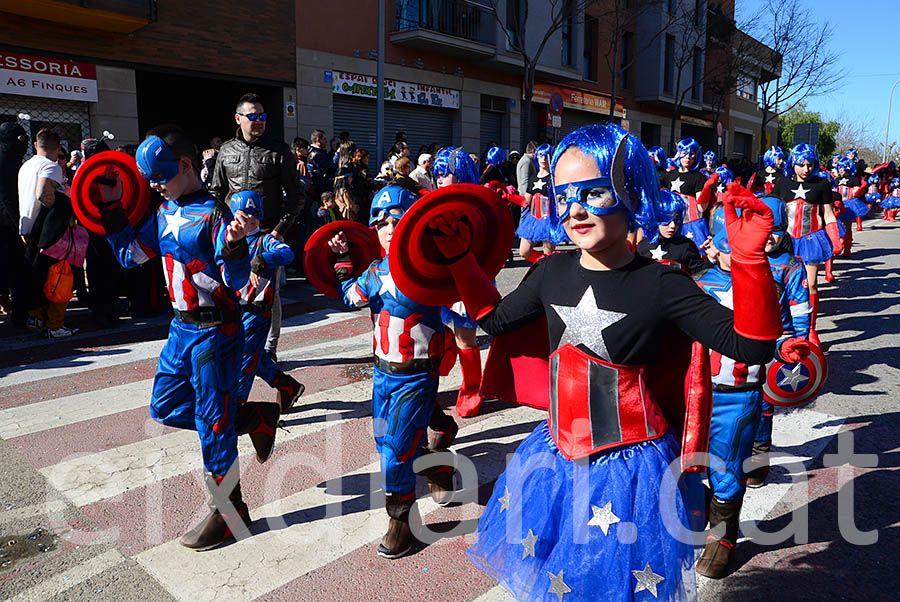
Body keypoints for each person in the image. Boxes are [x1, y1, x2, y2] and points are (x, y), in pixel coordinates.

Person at [427, 123, 778, 601]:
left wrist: (750, 260)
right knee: (558, 577)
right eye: (565, 194)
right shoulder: (550, 270)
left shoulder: (662, 283)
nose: (575, 210)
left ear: (631, 191)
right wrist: (460, 259)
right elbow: (495, 320)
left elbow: (751, 346)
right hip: (554, 457)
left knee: (612, 586)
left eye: (593, 192)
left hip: (630, 469)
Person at [100, 125, 280, 550]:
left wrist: (236, 243)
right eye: (151, 180)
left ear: (185, 165)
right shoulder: (162, 213)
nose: (156, 186)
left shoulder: (218, 213)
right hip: (180, 329)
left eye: (161, 176)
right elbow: (130, 255)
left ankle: (229, 511)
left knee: (212, 424)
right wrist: (110, 210)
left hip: (216, 330)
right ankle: (253, 418)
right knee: (165, 406)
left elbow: (237, 279)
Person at [327, 185, 453, 559]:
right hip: (382, 375)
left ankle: (402, 521)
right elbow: (351, 296)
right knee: (385, 441)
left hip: (417, 375)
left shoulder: (431, 268)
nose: (388, 226)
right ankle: (439, 459)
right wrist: (343, 258)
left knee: (396, 452)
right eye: (380, 220)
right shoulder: (375, 271)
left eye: (397, 218)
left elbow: (466, 296)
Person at [693, 201, 808, 578]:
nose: (732, 257)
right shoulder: (698, 284)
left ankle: (722, 538)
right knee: (687, 462)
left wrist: (788, 347)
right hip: (696, 390)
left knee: (727, 465)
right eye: (726, 249)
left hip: (739, 392)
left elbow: (776, 333)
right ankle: (704, 506)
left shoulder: (767, 286)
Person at [211, 92, 304, 363]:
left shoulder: (278, 150)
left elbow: (297, 197)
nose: (258, 121)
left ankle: (268, 350)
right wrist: (220, 228)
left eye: (262, 116)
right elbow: (216, 193)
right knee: (230, 288)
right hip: (233, 235)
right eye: (252, 116)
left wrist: (279, 231)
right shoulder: (226, 151)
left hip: (266, 234)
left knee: (268, 295)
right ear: (238, 118)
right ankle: (234, 340)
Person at [744, 194, 811, 489]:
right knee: (735, 401)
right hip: (739, 341)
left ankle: (758, 459)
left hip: (776, 343)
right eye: (761, 226)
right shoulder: (739, 255)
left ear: (784, 229)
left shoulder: (790, 266)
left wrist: (801, 343)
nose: (768, 236)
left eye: (774, 228)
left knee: (763, 405)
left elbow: (800, 308)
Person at [228, 190, 305, 413]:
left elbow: (287, 253)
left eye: (256, 213)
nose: (251, 218)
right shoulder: (227, 238)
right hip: (232, 311)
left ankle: (237, 409)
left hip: (256, 313)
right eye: (245, 213)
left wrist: (263, 258)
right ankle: (288, 386)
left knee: (245, 361)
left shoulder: (265, 241)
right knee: (253, 357)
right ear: (234, 214)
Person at [433, 147, 487, 417]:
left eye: (445, 174)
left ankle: (472, 390)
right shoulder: (433, 204)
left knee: (466, 339)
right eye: (437, 174)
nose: (440, 179)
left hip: (467, 283)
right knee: (441, 334)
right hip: (441, 283)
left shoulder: (475, 210)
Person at [773, 143, 842, 347]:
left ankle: (810, 329)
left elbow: (828, 215)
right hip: (785, 240)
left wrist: (835, 238)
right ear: (792, 163)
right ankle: (784, 327)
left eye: (810, 164)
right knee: (781, 285)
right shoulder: (782, 183)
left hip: (810, 239)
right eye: (801, 164)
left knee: (811, 284)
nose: (806, 169)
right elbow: (774, 213)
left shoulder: (821, 184)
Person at [661, 138, 717, 252]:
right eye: (684, 153)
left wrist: (706, 187)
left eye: (691, 154)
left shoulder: (698, 177)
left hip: (692, 224)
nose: (688, 157)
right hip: (671, 223)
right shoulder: (669, 175)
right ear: (679, 153)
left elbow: (702, 207)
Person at [636, 189, 707, 275]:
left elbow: (701, 277)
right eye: (667, 220)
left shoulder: (685, 246)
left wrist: (711, 259)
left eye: (677, 220)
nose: (673, 225)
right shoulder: (642, 246)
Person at [0, 122, 29, 325]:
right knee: (18, 270)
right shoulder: (7, 159)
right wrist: (20, 223)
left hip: (6, 224)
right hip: (8, 225)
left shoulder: (9, 156)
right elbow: (8, 196)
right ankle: (20, 315)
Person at [18, 128, 63, 238]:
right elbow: (42, 195)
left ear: (36, 145)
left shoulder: (26, 165)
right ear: (59, 148)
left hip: (26, 229)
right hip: (42, 232)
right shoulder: (51, 166)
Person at [516, 144, 558, 262]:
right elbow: (526, 201)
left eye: (546, 156)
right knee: (523, 252)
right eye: (540, 155)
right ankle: (542, 264)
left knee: (548, 253)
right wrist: (508, 196)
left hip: (549, 218)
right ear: (536, 157)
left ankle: (547, 271)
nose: (543, 159)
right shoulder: (533, 178)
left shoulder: (555, 178)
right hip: (533, 219)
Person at [308, 129, 335, 194]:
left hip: (316, 186)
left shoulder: (309, 151)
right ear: (318, 140)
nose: (326, 141)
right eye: (324, 139)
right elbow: (331, 167)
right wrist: (337, 155)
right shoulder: (318, 154)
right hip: (322, 187)